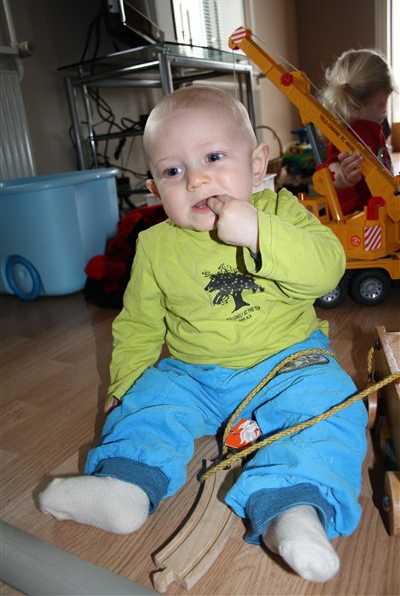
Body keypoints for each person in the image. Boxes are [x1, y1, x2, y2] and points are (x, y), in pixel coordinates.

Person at [39, 86, 367, 584]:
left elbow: (327, 270)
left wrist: (259, 232)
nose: (196, 179)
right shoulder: (155, 246)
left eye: (213, 157)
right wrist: (125, 384)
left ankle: (293, 507)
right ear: (156, 190)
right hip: (193, 374)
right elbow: (139, 324)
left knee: (333, 404)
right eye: (173, 171)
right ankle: (125, 484)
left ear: (256, 167)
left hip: (289, 365)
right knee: (150, 404)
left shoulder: (281, 213)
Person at [320, 48, 396, 215]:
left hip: (374, 214)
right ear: (384, 99)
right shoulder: (352, 132)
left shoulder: (370, 128)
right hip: (356, 218)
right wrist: (343, 176)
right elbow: (332, 169)